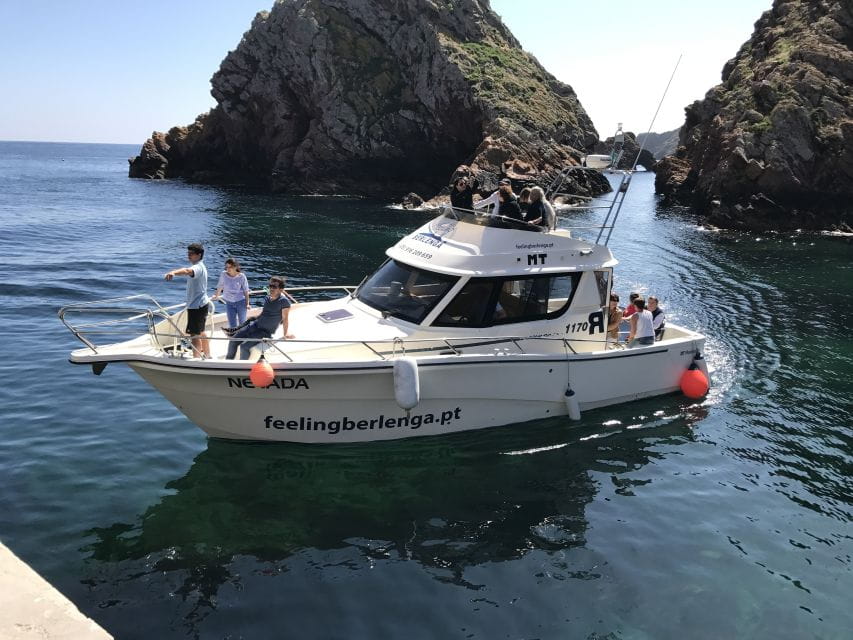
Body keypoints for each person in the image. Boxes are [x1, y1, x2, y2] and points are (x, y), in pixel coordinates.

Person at [225, 276, 294, 360]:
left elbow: (285, 318)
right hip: (255, 325)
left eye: (274, 287)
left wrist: (285, 334)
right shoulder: (268, 298)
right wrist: (253, 319)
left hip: (264, 332)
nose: (271, 289)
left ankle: (242, 367)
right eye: (270, 286)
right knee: (233, 340)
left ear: (280, 289)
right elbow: (265, 313)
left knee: (244, 347)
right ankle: (228, 362)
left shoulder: (284, 301)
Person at [164, 242, 210, 358]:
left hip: (196, 306)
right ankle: (208, 355)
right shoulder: (201, 266)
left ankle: (197, 358)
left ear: (199, 255)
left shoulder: (198, 267)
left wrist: (173, 272)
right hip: (202, 304)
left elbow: (187, 271)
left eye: (191, 253)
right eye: (188, 253)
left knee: (194, 334)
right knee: (201, 331)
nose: (189, 255)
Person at [212, 258, 251, 329]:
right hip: (229, 303)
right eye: (226, 267)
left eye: (230, 267)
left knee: (242, 323)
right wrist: (216, 295)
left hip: (241, 302)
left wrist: (247, 303)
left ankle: (243, 337)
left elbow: (246, 290)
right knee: (232, 325)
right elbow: (220, 285)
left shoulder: (242, 276)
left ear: (235, 267)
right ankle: (235, 338)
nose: (228, 269)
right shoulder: (223, 274)